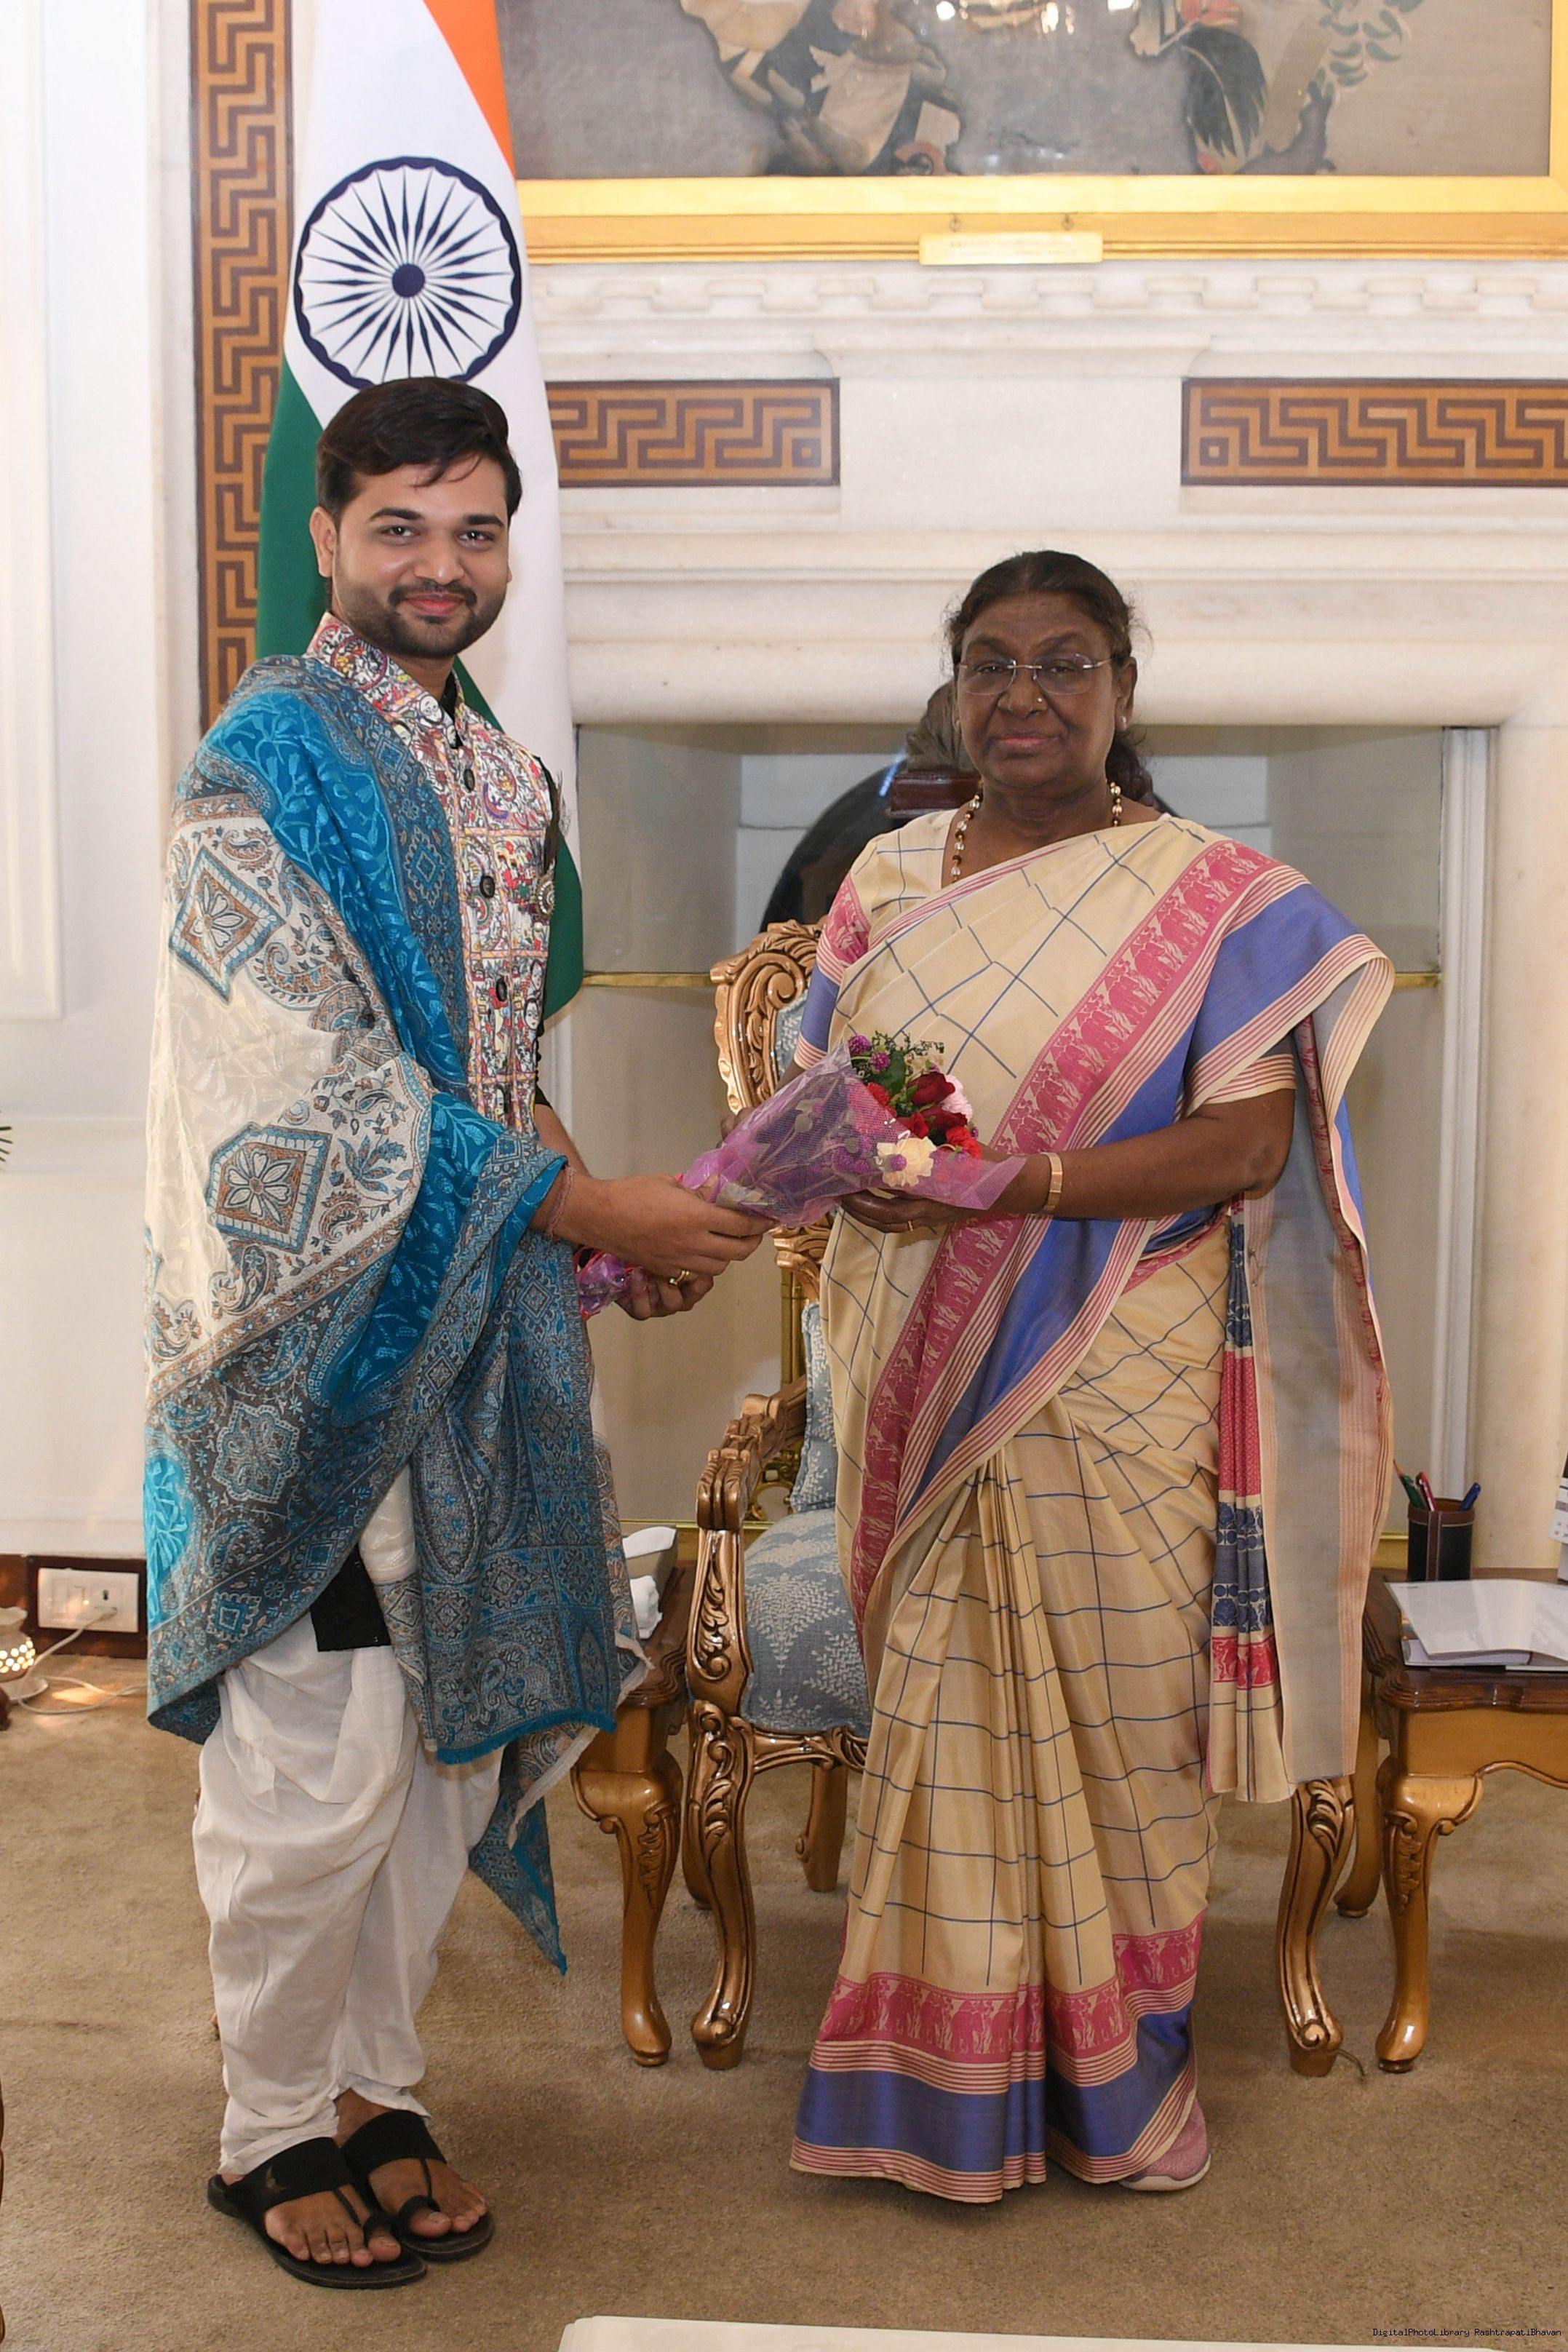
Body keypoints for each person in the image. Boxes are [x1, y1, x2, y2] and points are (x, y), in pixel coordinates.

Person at [143, 378, 768, 2287]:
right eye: (400, 526)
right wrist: (584, 1208)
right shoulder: (260, 761)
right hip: (312, 1345)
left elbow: (492, 1069)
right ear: (326, 538)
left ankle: (373, 2089)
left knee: (443, 1739)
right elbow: (307, 1085)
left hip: (485, 1331)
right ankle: (266, 2125)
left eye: (475, 529)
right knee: (316, 1756)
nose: (440, 563)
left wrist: (611, 1235)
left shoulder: (503, 780)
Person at [789, 549, 1392, 2201]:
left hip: (1121, 1351)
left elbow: (1248, 1142)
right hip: (921, 1338)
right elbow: (823, 1086)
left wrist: (1018, 1185)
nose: (1025, 695)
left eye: (1065, 662)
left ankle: (1113, 2079)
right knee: (946, 1704)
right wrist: (843, 1164)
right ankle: (939, 2088)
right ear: (953, 686)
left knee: (1125, 1723)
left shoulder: (1220, 898)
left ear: (1124, 687)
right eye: (991, 661)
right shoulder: (885, 879)